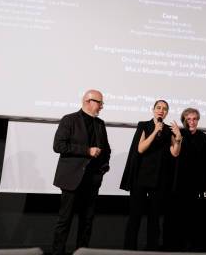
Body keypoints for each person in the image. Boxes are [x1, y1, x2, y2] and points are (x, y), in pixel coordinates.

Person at [51, 89, 111, 255]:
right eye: (100, 103)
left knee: (87, 222)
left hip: (92, 180)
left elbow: (106, 150)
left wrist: (103, 169)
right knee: (65, 220)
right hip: (72, 178)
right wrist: (87, 151)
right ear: (88, 101)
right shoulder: (69, 119)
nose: (102, 107)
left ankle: (82, 252)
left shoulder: (100, 124)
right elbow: (58, 146)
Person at [120, 100, 183, 250]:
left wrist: (179, 138)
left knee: (154, 218)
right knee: (135, 216)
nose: (161, 110)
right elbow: (140, 149)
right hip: (141, 178)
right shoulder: (144, 125)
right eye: (159, 108)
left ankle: (152, 249)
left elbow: (175, 153)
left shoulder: (169, 130)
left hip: (159, 179)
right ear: (153, 109)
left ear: (167, 112)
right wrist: (155, 131)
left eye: (164, 109)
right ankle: (129, 249)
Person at [163, 107, 206, 251]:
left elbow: (205, 160)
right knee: (177, 217)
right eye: (188, 119)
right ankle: (175, 247)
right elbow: (174, 154)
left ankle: (192, 248)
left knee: (193, 219)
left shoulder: (203, 136)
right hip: (178, 181)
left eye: (194, 118)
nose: (192, 122)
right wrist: (178, 137)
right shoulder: (179, 133)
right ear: (184, 120)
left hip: (196, 183)